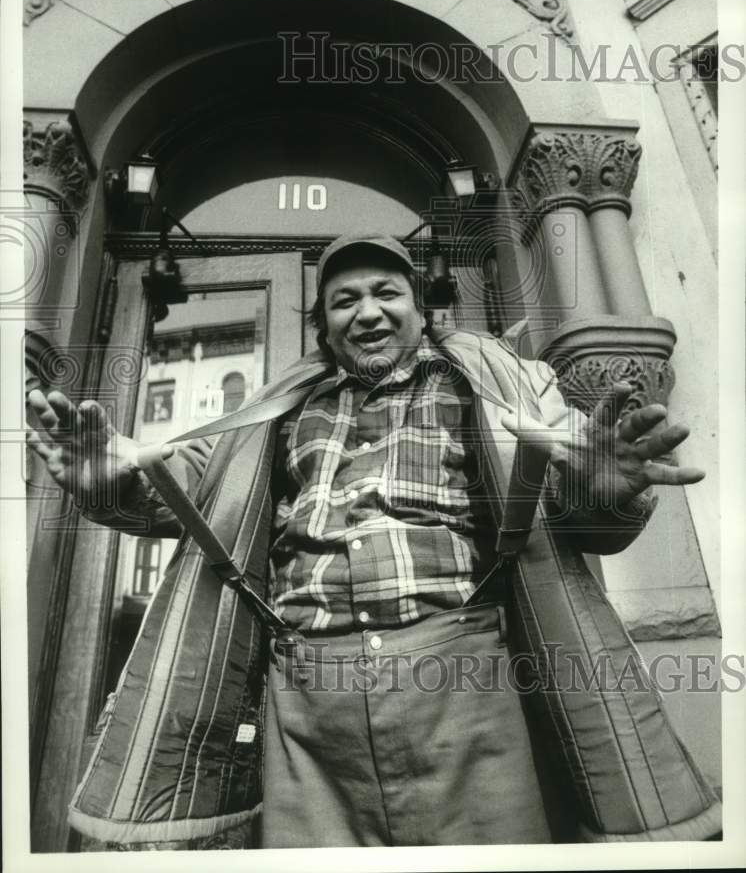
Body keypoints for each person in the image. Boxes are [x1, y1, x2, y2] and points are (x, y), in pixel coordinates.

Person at [27, 234, 720, 848]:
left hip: (461, 681)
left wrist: (603, 488)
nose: (366, 311)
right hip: (305, 698)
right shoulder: (278, 409)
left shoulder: (493, 390)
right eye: (343, 301)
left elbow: (571, 512)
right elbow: (195, 491)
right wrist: (108, 479)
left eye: (386, 292)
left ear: (422, 311)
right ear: (325, 328)